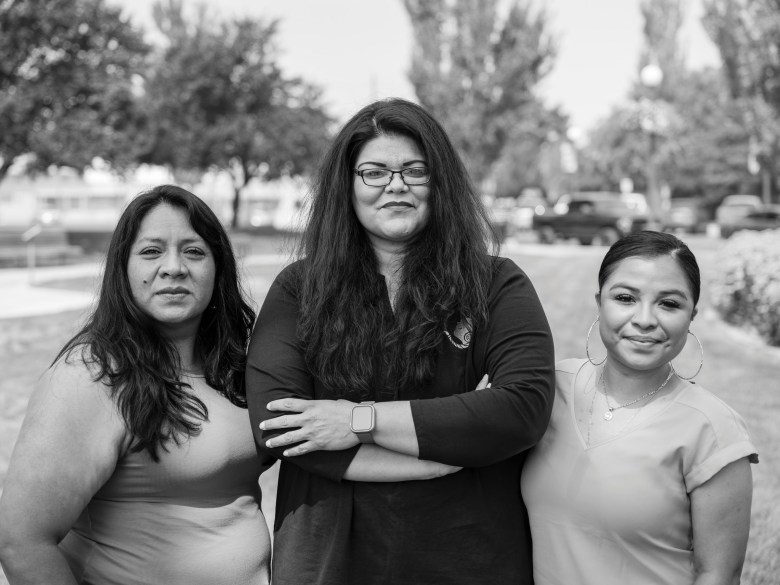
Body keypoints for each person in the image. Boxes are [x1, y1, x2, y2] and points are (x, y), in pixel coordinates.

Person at [246, 97, 555, 585]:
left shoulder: (494, 283)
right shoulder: (299, 289)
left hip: (468, 554)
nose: (396, 185)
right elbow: (280, 424)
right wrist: (444, 453)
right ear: (346, 186)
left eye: (416, 170)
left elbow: (522, 409)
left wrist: (355, 420)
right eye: (374, 172)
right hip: (330, 558)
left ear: (440, 183)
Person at [0, 185, 272, 585]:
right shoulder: (92, 376)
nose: (174, 267)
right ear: (122, 269)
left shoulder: (233, 368)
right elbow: (21, 541)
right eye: (151, 251)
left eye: (194, 251)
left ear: (219, 268)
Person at [521, 230, 758, 585]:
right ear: (599, 301)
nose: (645, 319)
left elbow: (718, 575)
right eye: (626, 298)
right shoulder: (548, 388)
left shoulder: (713, 431)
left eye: (669, 304)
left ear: (692, 314)